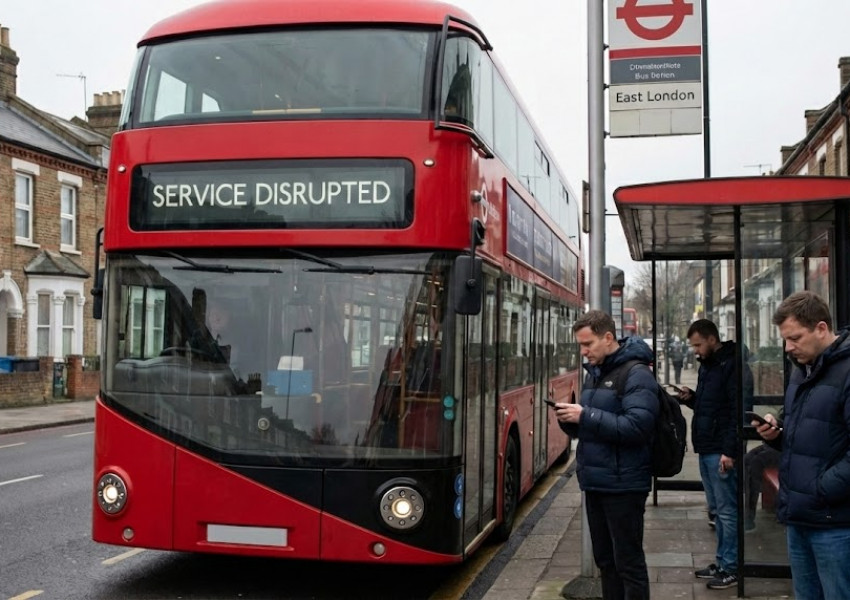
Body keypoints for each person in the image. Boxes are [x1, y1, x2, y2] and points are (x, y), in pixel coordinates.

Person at [554, 310, 658, 600]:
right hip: (596, 482)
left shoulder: (637, 374)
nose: (584, 351)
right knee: (606, 561)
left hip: (624, 484)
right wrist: (570, 420)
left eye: (588, 344)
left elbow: (637, 427)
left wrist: (586, 415)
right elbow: (593, 426)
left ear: (608, 337)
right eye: (581, 345)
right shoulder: (596, 373)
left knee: (628, 563)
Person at [754, 291, 850, 600]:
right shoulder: (802, 370)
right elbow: (803, 433)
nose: (788, 348)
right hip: (799, 516)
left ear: (821, 328)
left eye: (795, 338)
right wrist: (776, 432)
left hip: (835, 523)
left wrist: (821, 489)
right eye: (785, 339)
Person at [677, 319, 753, 590]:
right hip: (708, 447)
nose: (696, 350)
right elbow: (710, 406)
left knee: (727, 511)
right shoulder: (709, 365)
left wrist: (729, 451)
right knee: (717, 511)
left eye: (698, 344)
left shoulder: (732, 366)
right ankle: (722, 562)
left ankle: (731, 567)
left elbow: (737, 410)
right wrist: (691, 397)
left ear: (712, 339)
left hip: (721, 451)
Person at [743, 443, 780, 532]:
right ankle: (748, 514)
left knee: (755, 463)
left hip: (784, 448)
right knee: (746, 459)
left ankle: (749, 517)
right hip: (772, 445)